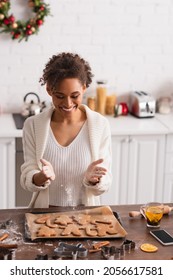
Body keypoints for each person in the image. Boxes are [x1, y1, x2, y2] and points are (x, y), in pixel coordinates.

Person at [20, 52, 112, 208]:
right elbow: (26, 177)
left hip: (86, 215)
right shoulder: (33, 125)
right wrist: (40, 177)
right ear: (49, 90)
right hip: (43, 215)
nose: (68, 104)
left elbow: (106, 180)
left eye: (74, 95)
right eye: (60, 96)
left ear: (84, 88)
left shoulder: (99, 124)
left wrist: (93, 179)